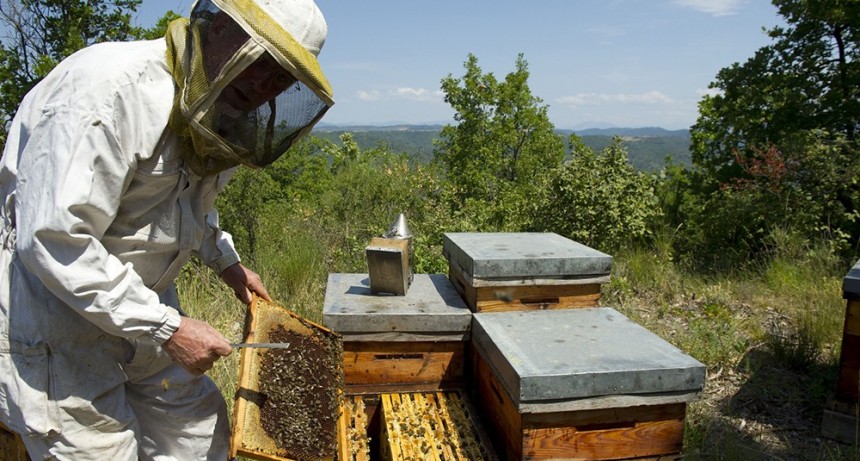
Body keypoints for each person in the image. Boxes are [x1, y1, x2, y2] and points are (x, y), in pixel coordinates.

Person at [0, 0, 334, 458]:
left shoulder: (216, 108)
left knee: (200, 439)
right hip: (57, 321)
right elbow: (55, 238)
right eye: (259, 60)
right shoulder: (110, 91)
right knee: (100, 451)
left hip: (144, 306)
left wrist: (226, 261)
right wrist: (168, 328)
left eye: (279, 77)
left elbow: (186, 202)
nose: (262, 84)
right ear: (219, 30)